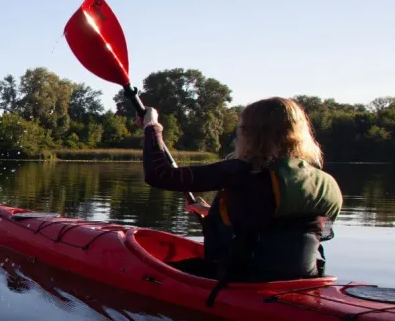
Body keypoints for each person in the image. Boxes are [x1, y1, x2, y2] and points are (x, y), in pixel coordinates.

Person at [140, 97, 342, 282]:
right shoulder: (324, 182)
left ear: (249, 133)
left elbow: (160, 175)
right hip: (304, 279)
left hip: (243, 279)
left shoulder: (244, 171)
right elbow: (284, 226)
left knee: (146, 275)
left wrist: (151, 126)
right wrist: (213, 213)